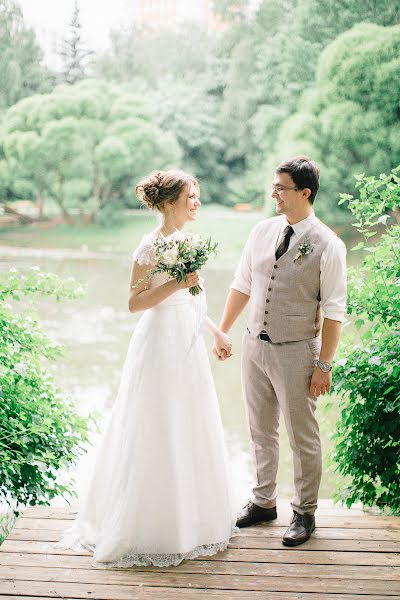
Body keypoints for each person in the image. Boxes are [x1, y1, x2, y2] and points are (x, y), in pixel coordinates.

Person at [57, 169, 235, 567]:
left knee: (190, 422)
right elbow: (134, 304)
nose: (197, 202)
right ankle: (145, 525)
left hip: (187, 342)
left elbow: (193, 299)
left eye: (198, 195)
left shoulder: (188, 241)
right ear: (170, 202)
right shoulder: (148, 246)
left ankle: (192, 523)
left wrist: (217, 334)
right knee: (154, 423)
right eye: (191, 196)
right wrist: (175, 283)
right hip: (158, 343)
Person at [213, 156, 347, 547]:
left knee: (302, 436)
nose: (274, 194)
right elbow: (242, 285)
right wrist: (223, 330)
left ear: (304, 193)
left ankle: (305, 513)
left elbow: (335, 312)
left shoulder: (329, 245)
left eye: (281, 188)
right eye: (274, 187)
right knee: (259, 429)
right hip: (255, 344)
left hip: (298, 351)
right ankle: (263, 502)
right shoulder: (262, 231)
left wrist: (324, 364)